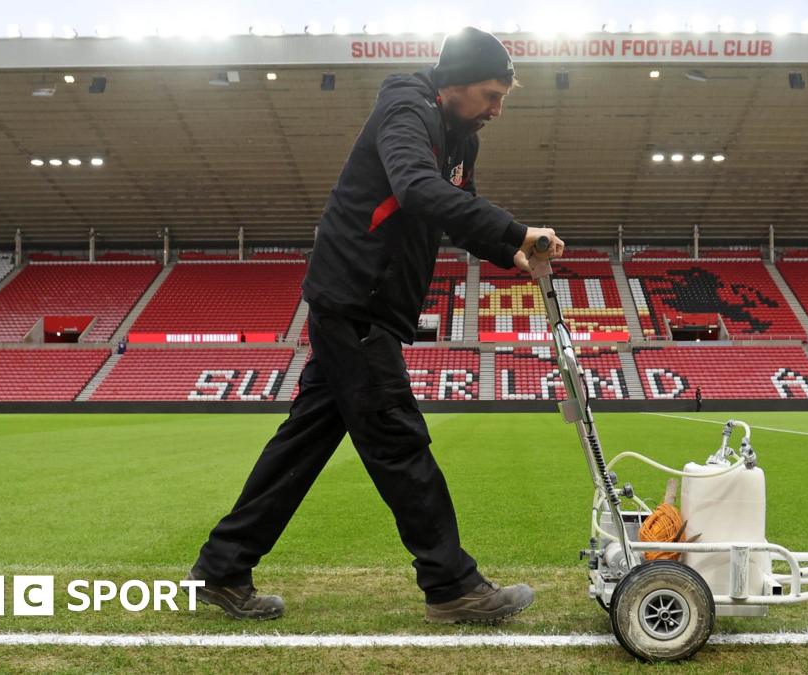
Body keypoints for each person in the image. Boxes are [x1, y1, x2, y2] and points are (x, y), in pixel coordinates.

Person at [188, 27, 565, 624]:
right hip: (355, 299)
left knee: (304, 441)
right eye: (491, 95)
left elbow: (454, 212)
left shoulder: (460, 137)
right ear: (454, 83)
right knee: (397, 439)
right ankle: (450, 584)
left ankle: (220, 569)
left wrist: (508, 251)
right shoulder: (406, 109)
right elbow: (416, 188)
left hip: (373, 304)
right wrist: (517, 227)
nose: (497, 109)